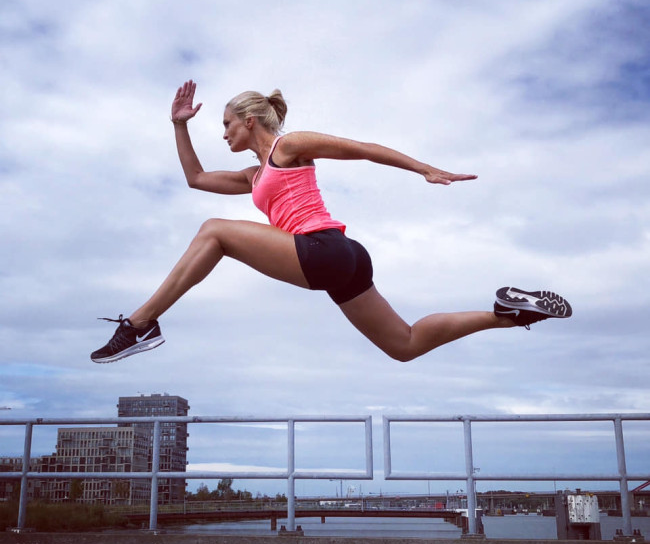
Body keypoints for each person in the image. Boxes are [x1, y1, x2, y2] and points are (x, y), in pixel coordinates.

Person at [91, 80, 571, 363]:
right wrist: (179, 124)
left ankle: (140, 324)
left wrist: (423, 168)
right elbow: (195, 178)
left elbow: (361, 149)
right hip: (344, 260)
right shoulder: (253, 175)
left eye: (226, 124)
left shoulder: (289, 147)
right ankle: (509, 314)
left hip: (322, 249)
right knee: (404, 345)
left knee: (214, 230)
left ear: (250, 121)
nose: (223, 134)